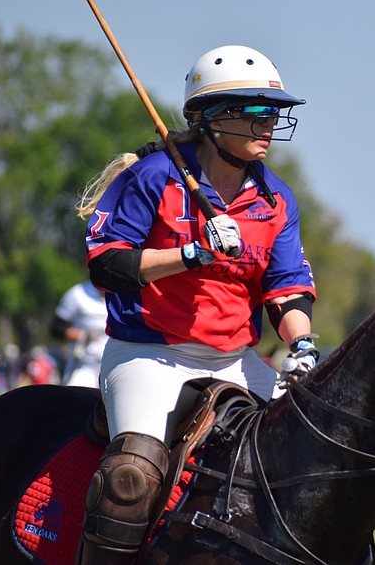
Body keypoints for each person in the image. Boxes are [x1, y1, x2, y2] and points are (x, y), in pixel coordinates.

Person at [73, 45, 318, 564]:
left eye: (273, 113)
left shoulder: (275, 200)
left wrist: (302, 345)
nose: (267, 125)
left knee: (314, 452)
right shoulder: (153, 178)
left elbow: (287, 287)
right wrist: (193, 253)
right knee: (131, 477)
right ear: (210, 118)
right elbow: (107, 265)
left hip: (234, 360)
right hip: (149, 354)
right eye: (254, 112)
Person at [50, 280, 108, 388]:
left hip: (116, 363)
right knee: (76, 397)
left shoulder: (127, 294)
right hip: (86, 365)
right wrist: (81, 335)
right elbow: (57, 327)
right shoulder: (77, 294)